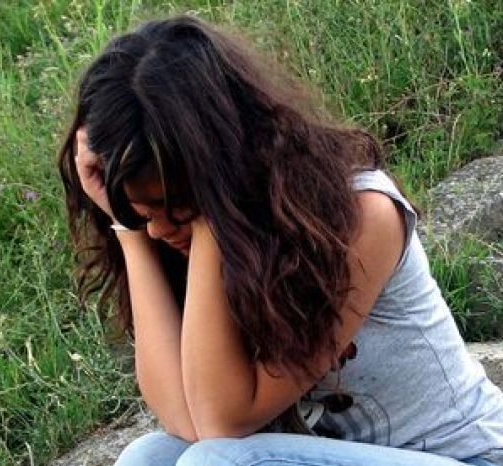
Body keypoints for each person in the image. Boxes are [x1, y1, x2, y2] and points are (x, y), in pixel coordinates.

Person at [57, 15, 503, 466]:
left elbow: (221, 427)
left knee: (216, 463)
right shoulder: (177, 233)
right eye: (142, 212)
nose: (156, 228)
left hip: (469, 459)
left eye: (171, 206)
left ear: (217, 169)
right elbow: (189, 420)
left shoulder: (362, 215)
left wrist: (211, 214)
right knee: (148, 456)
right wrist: (127, 229)